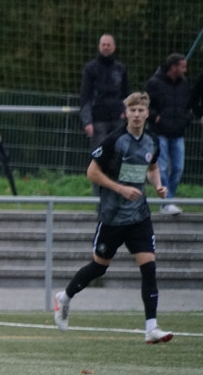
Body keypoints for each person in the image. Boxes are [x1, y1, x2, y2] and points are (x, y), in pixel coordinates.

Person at [54, 92, 173, 344]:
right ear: (126, 113)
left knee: (149, 268)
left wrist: (158, 186)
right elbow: (92, 172)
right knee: (99, 267)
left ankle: (151, 327)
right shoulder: (114, 141)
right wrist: (120, 189)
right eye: (133, 110)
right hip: (112, 216)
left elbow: (152, 168)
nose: (137, 115)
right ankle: (64, 297)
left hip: (139, 216)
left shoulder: (152, 141)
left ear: (147, 113)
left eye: (141, 110)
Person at [144, 53, 192, 215]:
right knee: (162, 168)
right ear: (173, 67)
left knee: (178, 168)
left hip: (178, 132)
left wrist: (186, 118)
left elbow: (188, 104)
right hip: (160, 132)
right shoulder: (154, 83)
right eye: (182, 67)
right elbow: (145, 104)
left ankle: (168, 199)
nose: (185, 70)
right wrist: (154, 117)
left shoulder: (184, 84)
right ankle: (166, 202)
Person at [79, 34, 130, 149]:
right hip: (98, 120)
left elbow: (126, 93)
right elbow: (85, 96)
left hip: (118, 118)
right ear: (99, 46)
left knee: (118, 152)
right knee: (100, 153)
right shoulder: (90, 68)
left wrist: (125, 110)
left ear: (113, 47)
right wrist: (87, 122)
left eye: (108, 45)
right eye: (104, 45)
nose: (106, 47)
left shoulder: (120, 68)